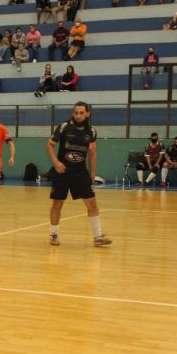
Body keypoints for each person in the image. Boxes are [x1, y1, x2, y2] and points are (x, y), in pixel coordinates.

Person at [47, 102, 112, 247]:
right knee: (57, 203)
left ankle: (98, 237)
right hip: (62, 171)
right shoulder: (63, 127)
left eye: (81, 113)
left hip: (81, 171)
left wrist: (92, 173)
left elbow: (92, 153)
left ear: (87, 114)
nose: (78, 115)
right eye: (76, 112)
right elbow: (50, 145)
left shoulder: (92, 132)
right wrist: (56, 162)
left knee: (92, 203)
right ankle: (54, 234)